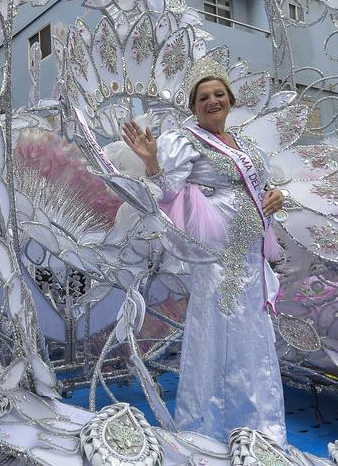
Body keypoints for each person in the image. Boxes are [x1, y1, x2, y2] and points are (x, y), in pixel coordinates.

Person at [120, 69, 287, 444]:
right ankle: (206, 427)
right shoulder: (185, 140)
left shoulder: (246, 145)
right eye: (203, 98)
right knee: (214, 328)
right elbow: (168, 192)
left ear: (230, 100)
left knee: (253, 331)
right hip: (216, 249)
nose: (212, 101)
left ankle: (260, 423)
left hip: (249, 250)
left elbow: (262, 189)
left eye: (218, 94)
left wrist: (277, 198)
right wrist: (151, 163)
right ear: (194, 108)